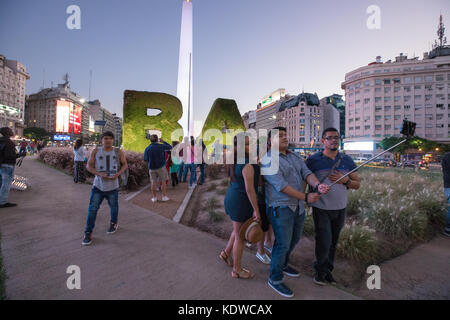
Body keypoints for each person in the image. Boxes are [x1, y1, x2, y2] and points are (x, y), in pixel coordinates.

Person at [261, 127, 329, 298]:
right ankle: (274, 278)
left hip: (297, 207)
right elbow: (281, 186)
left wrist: (317, 185)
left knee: (294, 239)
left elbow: (306, 173)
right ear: (270, 141)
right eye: (279, 136)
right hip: (281, 207)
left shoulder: (294, 156)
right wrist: (306, 197)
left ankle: (283, 264)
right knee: (282, 244)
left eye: (285, 135)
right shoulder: (268, 159)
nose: (284, 137)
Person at [305, 128, 360, 285]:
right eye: (330, 138)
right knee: (324, 240)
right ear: (323, 141)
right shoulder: (313, 160)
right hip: (321, 208)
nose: (334, 140)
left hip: (340, 208)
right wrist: (304, 198)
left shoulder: (347, 160)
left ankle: (328, 270)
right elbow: (304, 179)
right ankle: (319, 272)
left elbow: (357, 184)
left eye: (336, 137)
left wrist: (346, 181)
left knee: (333, 241)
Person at [220, 134, 268, 279]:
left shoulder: (234, 160)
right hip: (242, 200)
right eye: (248, 144)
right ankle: (237, 270)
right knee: (241, 236)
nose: (251, 146)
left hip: (233, 196)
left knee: (237, 230)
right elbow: (250, 190)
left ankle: (225, 254)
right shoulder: (248, 163)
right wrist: (256, 210)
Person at [82, 131, 128, 246]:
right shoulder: (96, 150)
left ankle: (113, 223)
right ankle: (88, 232)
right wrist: (98, 174)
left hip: (113, 186)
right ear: (101, 140)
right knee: (92, 209)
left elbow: (125, 164)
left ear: (113, 140)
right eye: (105, 138)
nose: (107, 140)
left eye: (110, 138)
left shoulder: (118, 151)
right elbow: (89, 166)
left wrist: (118, 174)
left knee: (114, 207)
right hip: (98, 186)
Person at [143, 135, 172, 202]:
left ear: (150, 140)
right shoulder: (161, 146)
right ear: (157, 140)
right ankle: (164, 197)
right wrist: (163, 141)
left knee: (153, 182)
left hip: (152, 168)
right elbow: (170, 147)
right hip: (161, 167)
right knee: (163, 181)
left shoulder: (147, 148)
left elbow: (145, 159)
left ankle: (154, 198)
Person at [0, 127, 20, 208]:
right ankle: (3, 202)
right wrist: (19, 155)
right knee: (6, 184)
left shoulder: (1, 141)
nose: (12, 131)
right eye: (10, 130)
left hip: (1, 165)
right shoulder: (9, 143)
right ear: (7, 132)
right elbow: (9, 156)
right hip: (7, 165)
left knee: (2, 183)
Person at [441, 152, 450, 237]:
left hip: (447, 185)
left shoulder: (446, 156)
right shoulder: (447, 156)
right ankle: (448, 229)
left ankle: (448, 229)